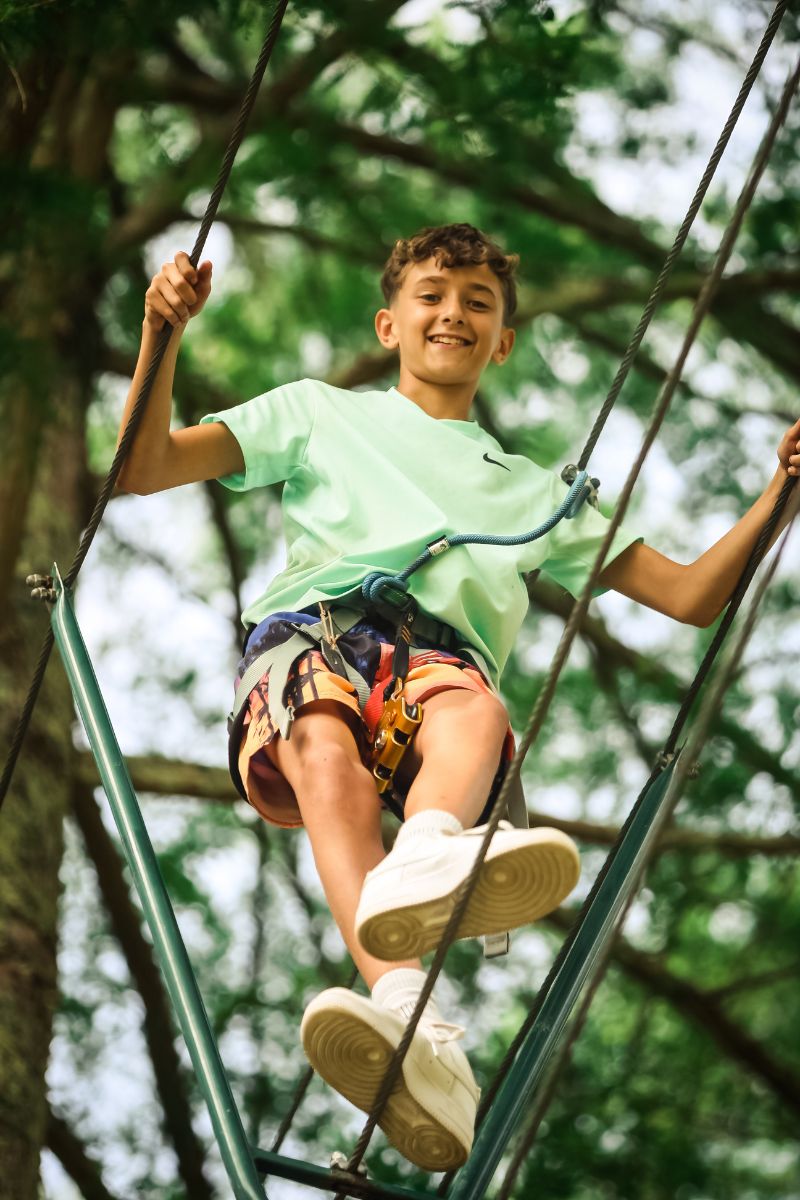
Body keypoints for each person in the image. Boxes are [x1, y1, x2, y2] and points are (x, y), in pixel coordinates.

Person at [117, 223, 799, 1172]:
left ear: (503, 341)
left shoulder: (535, 493)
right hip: (314, 633)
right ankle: (416, 1022)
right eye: (433, 295)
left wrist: (781, 493)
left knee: (474, 707)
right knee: (321, 750)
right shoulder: (318, 412)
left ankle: (430, 852)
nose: (454, 314)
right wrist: (162, 335)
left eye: (478, 303)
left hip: (438, 666)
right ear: (389, 324)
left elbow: (686, 596)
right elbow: (141, 468)